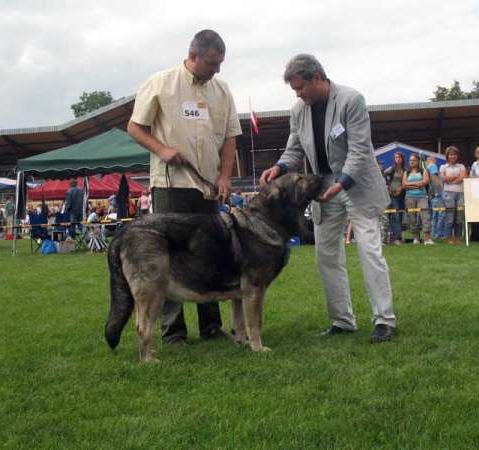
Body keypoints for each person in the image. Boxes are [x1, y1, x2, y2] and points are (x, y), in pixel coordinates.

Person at [259, 53, 396, 342]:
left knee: (369, 250)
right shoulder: (298, 110)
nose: (298, 94)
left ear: (317, 78)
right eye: (295, 90)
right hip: (321, 186)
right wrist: (279, 167)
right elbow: (294, 150)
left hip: (356, 183)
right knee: (326, 256)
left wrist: (342, 183)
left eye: (301, 88)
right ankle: (342, 321)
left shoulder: (351, 100)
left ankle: (384, 321)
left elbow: (360, 150)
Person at [127, 29, 241, 345]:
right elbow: (134, 126)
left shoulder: (221, 90)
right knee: (169, 258)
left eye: (220, 63)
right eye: (211, 63)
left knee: (212, 254)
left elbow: (231, 136)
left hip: (208, 187)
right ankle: (173, 330)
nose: (216, 69)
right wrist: (162, 149)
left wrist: (225, 177)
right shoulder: (161, 83)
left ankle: (211, 327)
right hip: (170, 184)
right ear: (193, 56)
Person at [402, 154, 434, 245]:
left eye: (413, 160)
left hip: (422, 197)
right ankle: (415, 239)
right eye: (410, 160)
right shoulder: (406, 173)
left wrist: (410, 184)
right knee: (412, 218)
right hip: (409, 198)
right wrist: (418, 185)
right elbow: (404, 185)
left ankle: (427, 239)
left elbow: (425, 182)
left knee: (426, 217)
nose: (411, 162)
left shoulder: (424, 171)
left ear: (418, 161)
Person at [440, 146, 467, 244]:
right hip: (448, 193)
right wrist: (456, 176)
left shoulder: (461, 166)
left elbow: (463, 177)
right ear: (447, 156)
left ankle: (458, 237)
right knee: (449, 217)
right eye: (451, 154)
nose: (453, 156)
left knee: (459, 218)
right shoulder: (443, 167)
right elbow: (443, 179)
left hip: (460, 192)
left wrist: (450, 179)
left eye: (455, 154)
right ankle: (449, 238)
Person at [384, 151, 406, 245]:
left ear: (402, 159)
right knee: (395, 216)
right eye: (396, 157)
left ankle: (398, 237)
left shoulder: (405, 170)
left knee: (400, 216)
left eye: (399, 157)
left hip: (402, 195)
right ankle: (396, 239)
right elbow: (383, 174)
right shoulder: (391, 169)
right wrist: (387, 187)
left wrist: (401, 188)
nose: (398, 159)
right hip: (392, 195)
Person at [426, 156, 446, 240]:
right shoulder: (433, 166)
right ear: (433, 160)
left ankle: (434, 233)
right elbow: (435, 179)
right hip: (437, 194)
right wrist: (442, 190)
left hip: (432, 194)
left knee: (435, 215)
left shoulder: (426, 168)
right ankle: (439, 234)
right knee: (442, 214)